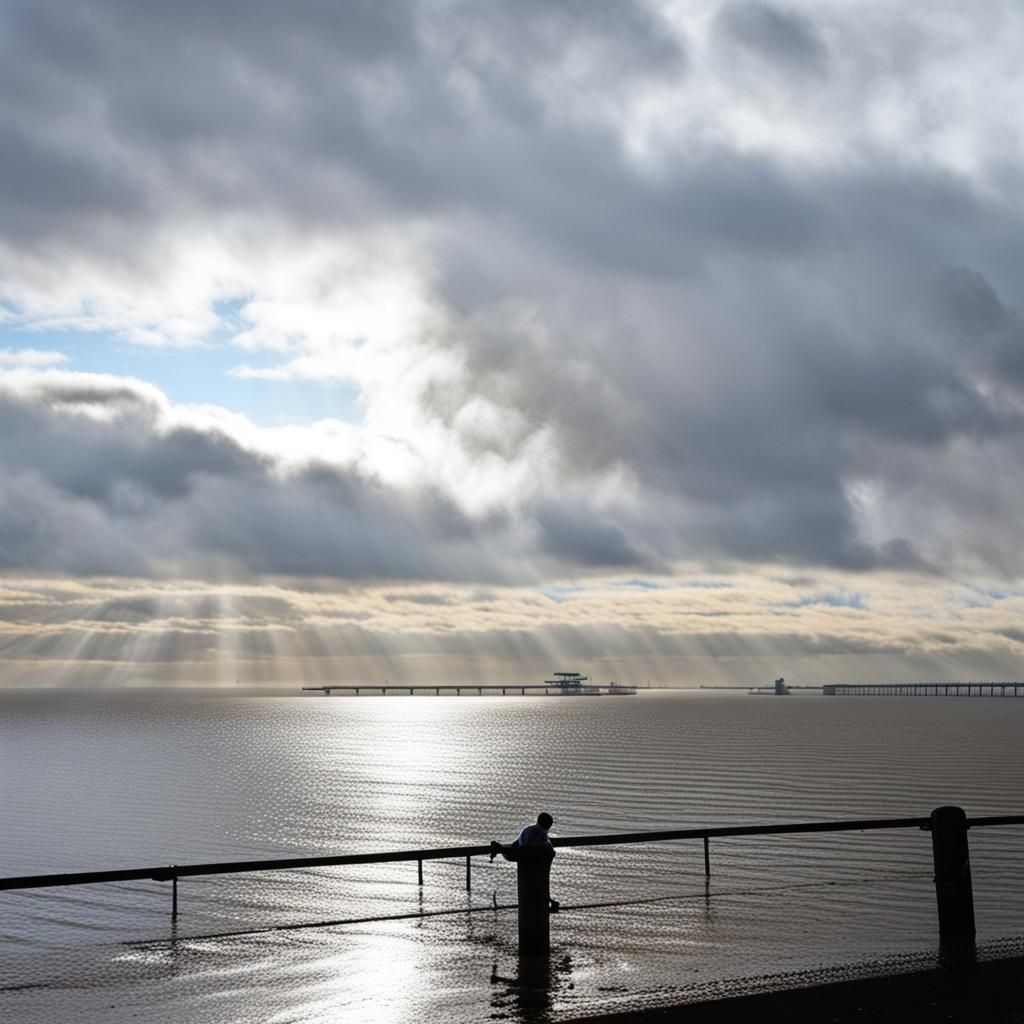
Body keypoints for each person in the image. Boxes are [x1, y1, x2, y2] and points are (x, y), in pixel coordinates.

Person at [490, 812, 559, 911]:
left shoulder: (526, 829)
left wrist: (505, 850)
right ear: (547, 824)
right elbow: (541, 847)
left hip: (523, 859)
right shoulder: (541, 832)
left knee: (536, 885)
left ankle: (500, 849)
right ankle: (548, 902)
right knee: (541, 882)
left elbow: (515, 845)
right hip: (533, 859)